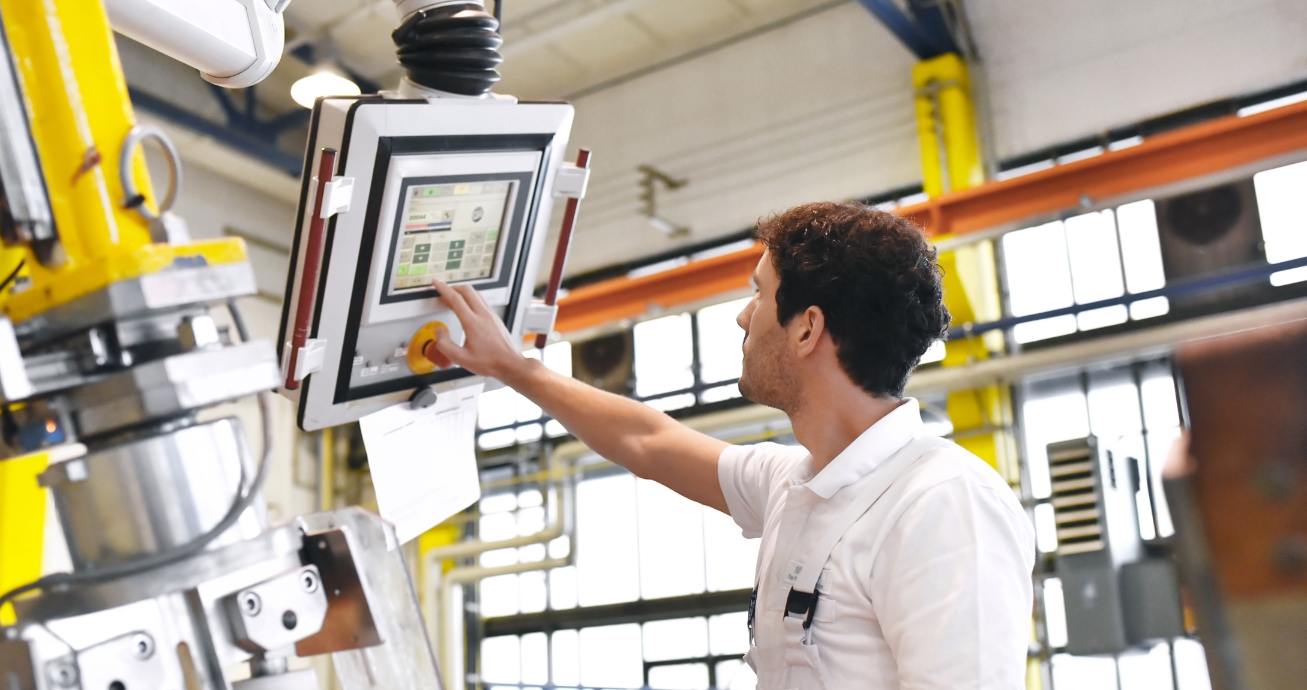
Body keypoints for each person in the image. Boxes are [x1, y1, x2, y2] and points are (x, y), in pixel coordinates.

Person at [429, 201, 1035, 690]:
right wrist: (514, 368)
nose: (743, 318)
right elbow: (649, 441)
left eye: (759, 294)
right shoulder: (796, 484)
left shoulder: (942, 504)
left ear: (807, 327)